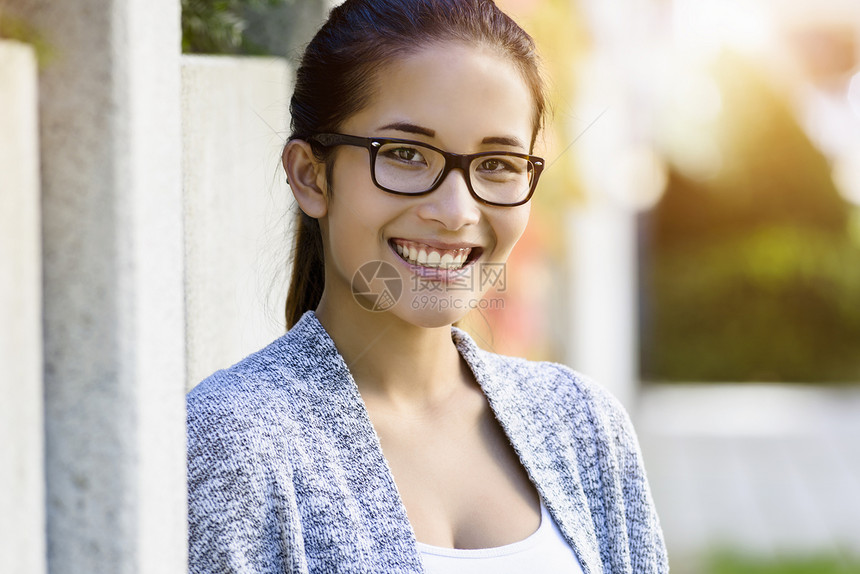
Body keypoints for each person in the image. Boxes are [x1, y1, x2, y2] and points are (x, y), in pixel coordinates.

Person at [186, 0, 669, 572]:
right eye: (406, 154)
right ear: (311, 175)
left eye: (497, 164)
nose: (456, 211)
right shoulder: (229, 443)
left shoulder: (583, 423)